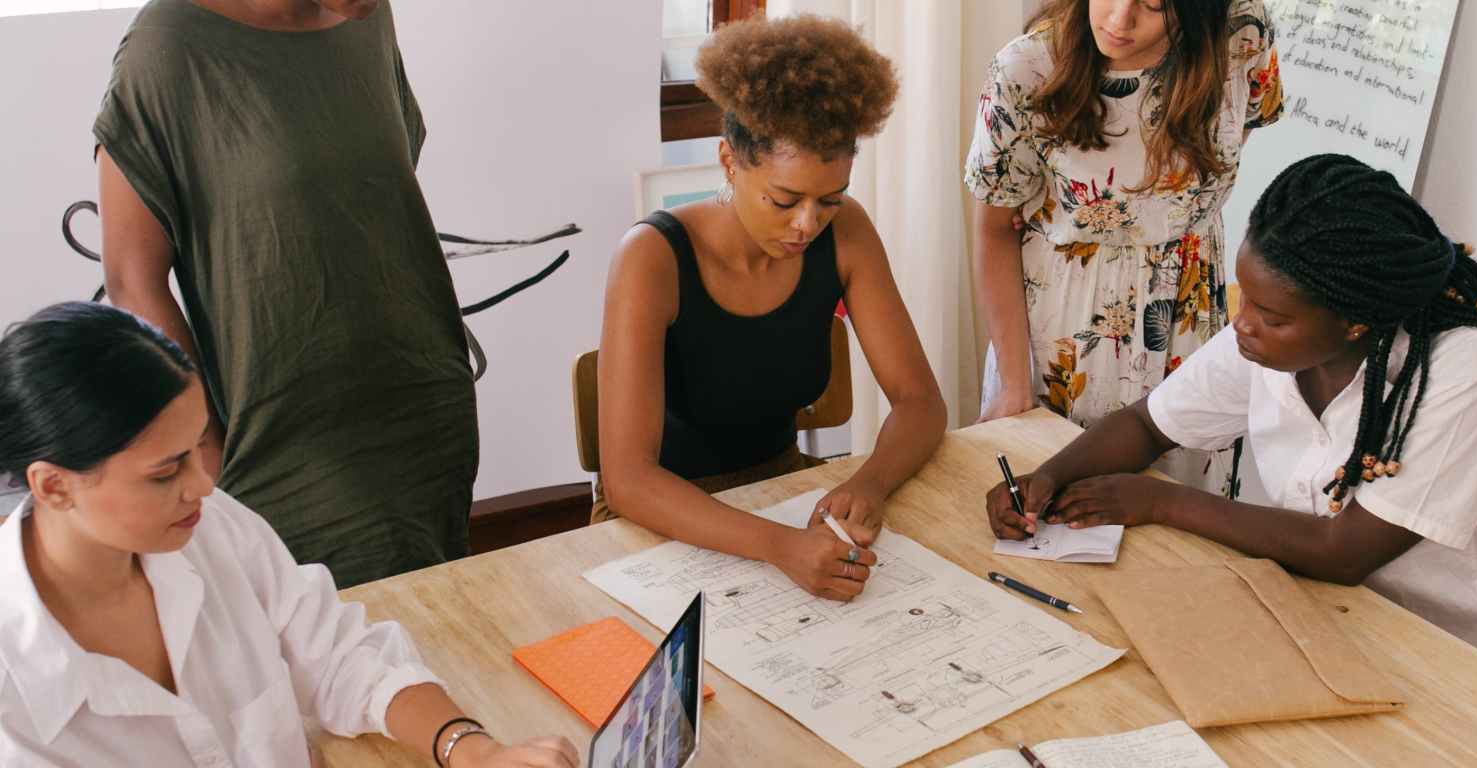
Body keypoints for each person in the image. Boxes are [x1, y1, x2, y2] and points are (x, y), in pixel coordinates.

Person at [985, 155, 1477, 687]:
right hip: (1334, 623)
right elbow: (1147, 425)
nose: (1242, 323)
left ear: (1354, 321)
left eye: (1272, 316)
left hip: (1472, 666)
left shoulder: (1468, 366)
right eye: (1248, 300)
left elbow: (1344, 551)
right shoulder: (1268, 341)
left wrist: (1160, 501)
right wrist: (1048, 478)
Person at [0, 302, 576, 767]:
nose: (203, 485)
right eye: (165, 471)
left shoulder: (210, 527)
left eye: (198, 448)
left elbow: (338, 655)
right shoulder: (13, 691)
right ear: (53, 486)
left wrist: (470, 748)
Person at [94, 0, 477, 587]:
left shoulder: (368, 18)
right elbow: (132, 280)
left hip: (426, 417)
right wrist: (204, 448)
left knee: (437, 627)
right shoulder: (166, 48)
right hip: (286, 446)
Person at [595, 16, 947, 602]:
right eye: (784, 200)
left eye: (829, 200)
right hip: (661, 518)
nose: (807, 224)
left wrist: (870, 483)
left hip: (782, 493)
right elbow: (628, 481)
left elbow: (920, 401)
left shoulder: (847, 233)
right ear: (729, 161)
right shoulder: (652, 257)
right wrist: (781, 546)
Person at [965, 0, 1283, 490]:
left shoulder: (1242, 32)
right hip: (1067, 333)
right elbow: (993, 230)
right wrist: (1013, 384)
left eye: (1153, 5)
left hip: (1190, 323)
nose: (1118, 21)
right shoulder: (1025, 69)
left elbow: (1234, 136)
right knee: (1053, 505)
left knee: (1180, 514)